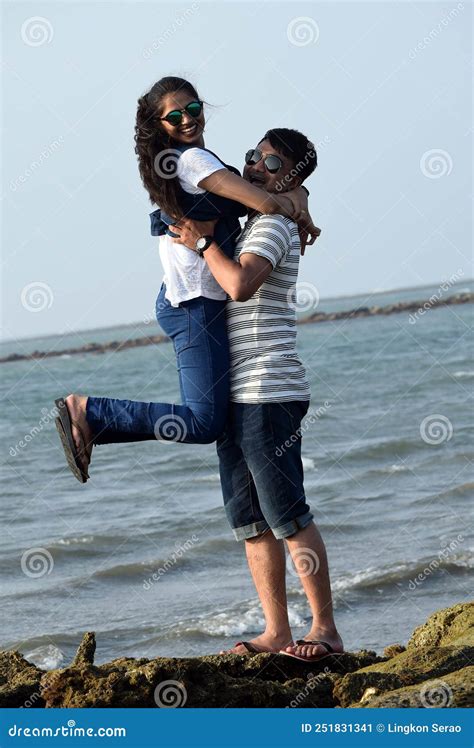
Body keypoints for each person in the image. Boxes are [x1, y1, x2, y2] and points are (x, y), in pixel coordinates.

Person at [54, 77, 318, 483]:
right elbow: (263, 202)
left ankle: (94, 425)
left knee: (212, 417)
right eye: (174, 116)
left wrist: (301, 198)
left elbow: (254, 198)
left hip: (193, 301)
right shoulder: (193, 162)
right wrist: (297, 205)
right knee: (204, 423)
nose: (187, 120)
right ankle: (89, 412)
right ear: (159, 124)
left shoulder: (193, 161)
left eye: (193, 109)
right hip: (196, 303)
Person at [169, 128, 344, 663]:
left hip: (268, 389)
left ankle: (325, 631)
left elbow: (240, 285)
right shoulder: (265, 214)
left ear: (289, 175)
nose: (255, 166)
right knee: (251, 522)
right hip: (238, 392)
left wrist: (200, 243)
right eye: (252, 156)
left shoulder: (269, 226)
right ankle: (275, 632)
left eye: (270, 161)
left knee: (288, 515)